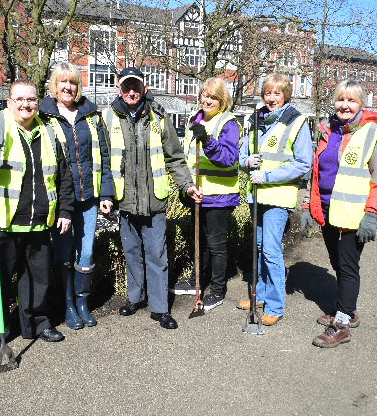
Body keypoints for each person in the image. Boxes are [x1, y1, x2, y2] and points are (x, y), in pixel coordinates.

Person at [0, 80, 75, 354]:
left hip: (38, 219)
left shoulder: (49, 129)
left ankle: (37, 323)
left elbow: (64, 175)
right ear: (9, 102)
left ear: (39, 101)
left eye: (32, 99)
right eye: (20, 99)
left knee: (37, 278)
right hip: (1, 220)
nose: (26, 104)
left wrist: (66, 210)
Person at [103, 67, 202, 330]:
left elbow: (175, 157)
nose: (132, 92)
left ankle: (160, 308)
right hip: (124, 201)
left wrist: (187, 185)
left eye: (136, 87)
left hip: (154, 201)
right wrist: (106, 194)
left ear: (144, 89)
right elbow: (103, 160)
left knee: (157, 254)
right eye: (127, 88)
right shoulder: (109, 117)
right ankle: (136, 298)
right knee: (132, 252)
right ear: (119, 89)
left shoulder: (158, 116)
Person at [304, 80, 377, 348]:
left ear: (361, 104)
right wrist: (309, 205)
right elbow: (317, 173)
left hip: (355, 214)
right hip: (328, 209)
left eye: (351, 100)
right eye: (341, 99)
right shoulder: (329, 131)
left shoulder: (375, 133)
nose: (345, 105)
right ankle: (347, 308)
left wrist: (371, 214)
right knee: (337, 262)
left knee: (348, 265)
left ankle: (341, 323)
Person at [39, 63, 114, 330]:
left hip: (90, 197)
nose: (68, 87)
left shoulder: (91, 115)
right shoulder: (43, 116)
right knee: (63, 252)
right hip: (61, 201)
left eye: (72, 82)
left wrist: (107, 192)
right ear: (54, 86)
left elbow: (104, 156)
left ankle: (83, 302)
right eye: (63, 82)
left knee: (87, 251)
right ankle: (68, 304)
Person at [237, 73, 313, 326]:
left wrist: (267, 175)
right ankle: (259, 294)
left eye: (277, 93)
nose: (271, 98)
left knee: (270, 249)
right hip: (256, 194)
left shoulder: (296, 121)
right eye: (267, 93)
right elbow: (242, 153)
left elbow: (303, 163)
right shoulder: (257, 119)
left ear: (285, 95)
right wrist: (246, 161)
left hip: (278, 195)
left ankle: (276, 305)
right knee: (258, 248)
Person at [170, 77, 242, 310]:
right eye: (205, 95)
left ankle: (218, 291)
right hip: (198, 193)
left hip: (219, 195)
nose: (208, 100)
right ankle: (198, 281)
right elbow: (190, 158)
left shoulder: (228, 123)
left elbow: (229, 159)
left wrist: (208, 140)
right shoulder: (195, 120)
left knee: (216, 244)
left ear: (223, 100)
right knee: (199, 240)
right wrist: (187, 188)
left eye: (214, 97)